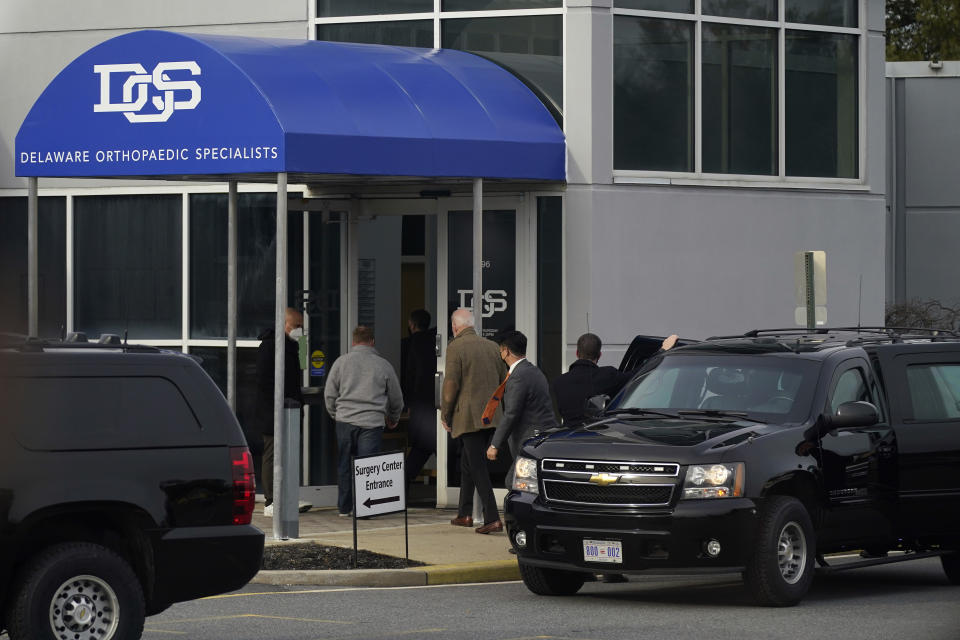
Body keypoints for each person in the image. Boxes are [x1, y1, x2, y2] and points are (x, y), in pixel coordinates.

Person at [325, 325, 404, 517]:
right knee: (368, 467)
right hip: (371, 422)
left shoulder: (341, 362)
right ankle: (364, 509)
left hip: (345, 420)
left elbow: (329, 393)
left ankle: (344, 508)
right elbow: (396, 398)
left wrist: (336, 415)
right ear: (372, 342)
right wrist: (393, 418)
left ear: (353, 342)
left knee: (345, 464)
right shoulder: (383, 365)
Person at [441, 309, 507, 534]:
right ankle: (464, 513)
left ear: (454, 327)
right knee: (468, 463)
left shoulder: (455, 347)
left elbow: (450, 384)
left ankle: (492, 517)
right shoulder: (491, 347)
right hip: (491, 415)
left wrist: (445, 413)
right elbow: (502, 380)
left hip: (467, 416)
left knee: (477, 465)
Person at [254, 307, 312, 517]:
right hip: (274, 411)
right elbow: (264, 380)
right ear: (285, 325)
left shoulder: (294, 347)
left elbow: (300, 370)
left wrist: (303, 346)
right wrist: (278, 404)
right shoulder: (270, 346)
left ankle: (287, 497)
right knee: (273, 453)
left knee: (288, 455)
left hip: (291, 408)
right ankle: (271, 500)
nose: (300, 331)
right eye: (297, 326)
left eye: (302, 328)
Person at [552, 332, 679, 426]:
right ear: (599, 355)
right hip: (596, 438)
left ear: (577, 353)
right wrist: (662, 350)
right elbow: (639, 374)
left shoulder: (558, 383)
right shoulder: (607, 376)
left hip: (567, 439)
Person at [485, 331, 558, 491]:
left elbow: (511, 413)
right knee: (527, 486)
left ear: (506, 351)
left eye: (500, 350)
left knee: (515, 483)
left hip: (530, 440)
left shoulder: (519, 376)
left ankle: (519, 515)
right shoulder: (534, 371)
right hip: (540, 436)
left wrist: (495, 444)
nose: (500, 353)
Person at [401, 309, 437, 485]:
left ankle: (402, 486)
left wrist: (406, 404)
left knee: (421, 447)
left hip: (421, 405)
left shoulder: (411, 344)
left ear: (411, 324)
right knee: (440, 448)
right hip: (437, 403)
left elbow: (409, 376)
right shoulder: (435, 339)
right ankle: (453, 485)